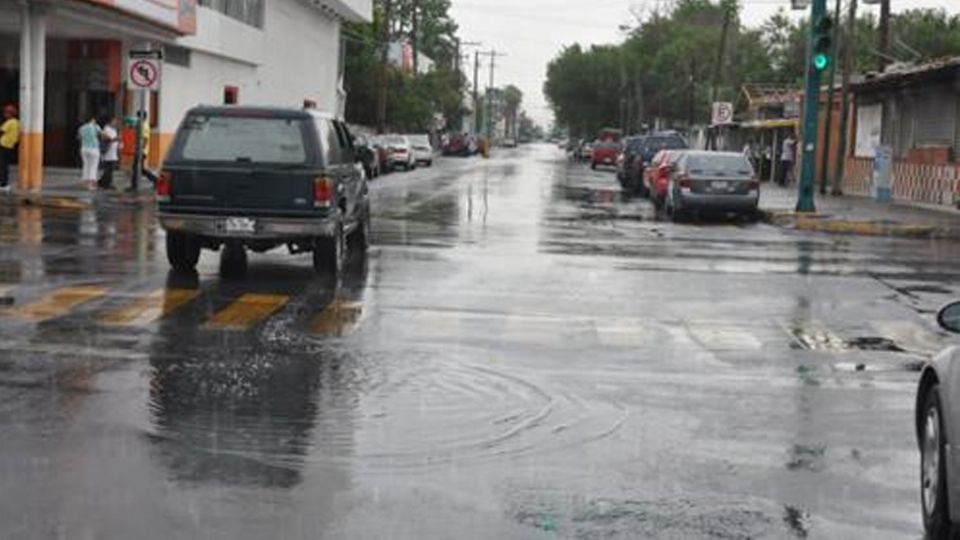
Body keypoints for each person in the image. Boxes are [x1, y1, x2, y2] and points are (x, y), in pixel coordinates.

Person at [77, 116, 102, 190]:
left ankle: (84, 182)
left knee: (86, 165)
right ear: (92, 120)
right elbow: (101, 134)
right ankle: (91, 184)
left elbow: (79, 137)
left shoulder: (81, 128)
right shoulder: (95, 126)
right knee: (93, 166)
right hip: (94, 148)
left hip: (84, 148)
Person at [0, 104, 19, 192]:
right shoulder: (17, 123)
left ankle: (4, 184)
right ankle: (4, 183)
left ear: (10, 114)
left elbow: (2, 131)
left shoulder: (10, 122)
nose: (4, 114)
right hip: (10, 146)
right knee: (4, 165)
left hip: (4, 145)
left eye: (6, 113)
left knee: (3, 165)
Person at [99, 115, 120, 190]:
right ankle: (106, 184)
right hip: (108, 153)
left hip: (113, 153)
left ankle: (103, 183)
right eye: (114, 121)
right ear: (111, 121)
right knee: (108, 170)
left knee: (110, 170)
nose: (116, 122)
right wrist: (114, 139)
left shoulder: (114, 130)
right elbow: (104, 138)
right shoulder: (106, 128)